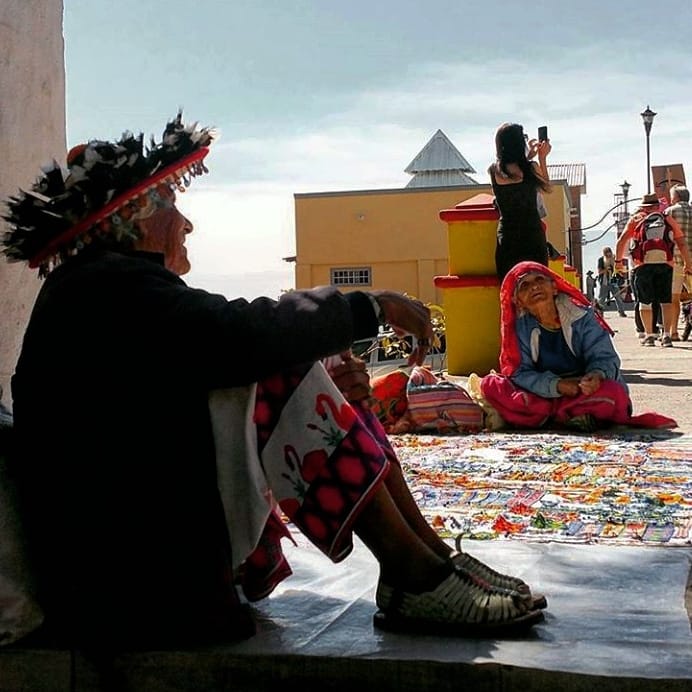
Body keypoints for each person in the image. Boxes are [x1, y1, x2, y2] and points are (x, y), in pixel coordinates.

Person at [1, 113, 545, 649]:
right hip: (130, 585)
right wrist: (370, 305)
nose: (185, 224)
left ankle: (427, 559)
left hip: (129, 563)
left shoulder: (102, 290)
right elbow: (242, 335)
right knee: (283, 365)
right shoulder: (109, 292)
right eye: (171, 205)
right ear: (134, 216)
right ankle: (413, 572)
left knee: (306, 362)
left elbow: (218, 347)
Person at [473, 262, 677, 432]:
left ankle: (550, 416)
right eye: (524, 286)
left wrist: (596, 377)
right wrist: (556, 386)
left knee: (613, 393)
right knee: (492, 384)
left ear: (554, 288)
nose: (534, 287)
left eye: (539, 280)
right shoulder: (521, 328)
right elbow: (518, 373)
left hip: (584, 390)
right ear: (518, 301)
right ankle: (567, 415)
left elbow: (606, 359)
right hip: (545, 393)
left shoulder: (582, 316)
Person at [616, 193, 692, 347]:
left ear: (644, 207)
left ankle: (649, 335)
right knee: (666, 301)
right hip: (665, 264)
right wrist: (688, 263)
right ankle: (666, 336)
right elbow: (682, 243)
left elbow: (621, 241)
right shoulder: (667, 219)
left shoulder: (636, 220)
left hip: (642, 265)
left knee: (645, 302)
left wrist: (618, 262)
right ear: (657, 206)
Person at [488, 122, 552, 280]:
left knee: (511, 288)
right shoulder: (531, 168)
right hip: (532, 235)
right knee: (538, 284)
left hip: (508, 237)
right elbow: (546, 186)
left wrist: (529, 156)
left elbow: (512, 174)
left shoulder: (494, 171)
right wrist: (542, 158)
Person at [664, 184, 692, 341]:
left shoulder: (670, 211)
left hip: (675, 259)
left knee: (673, 298)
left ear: (676, 197)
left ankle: (673, 332)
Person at [596, 246, 627, 316]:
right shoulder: (601, 260)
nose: (609, 255)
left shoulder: (614, 259)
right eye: (607, 253)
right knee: (602, 298)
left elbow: (618, 268)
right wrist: (606, 269)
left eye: (609, 253)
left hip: (613, 281)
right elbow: (599, 271)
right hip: (604, 281)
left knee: (618, 297)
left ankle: (621, 312)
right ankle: (600, 313)